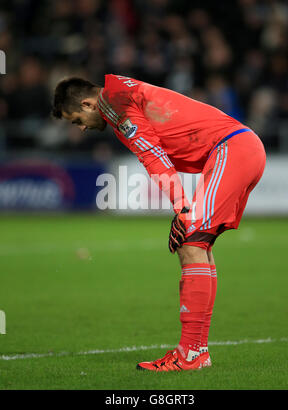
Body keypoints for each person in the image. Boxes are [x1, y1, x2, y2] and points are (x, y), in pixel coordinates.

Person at [52, 74, 266, 371]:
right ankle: (196, 351)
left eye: (77, 120)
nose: (82, 128)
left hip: (231, 149)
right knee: (198, 244)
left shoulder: (112, 102)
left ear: (87, 103)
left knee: (189, 241)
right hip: (238, 148)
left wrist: (181, 207)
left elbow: (153, 155)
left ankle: (191, 354)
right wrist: (182, 208)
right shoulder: (119, 92)